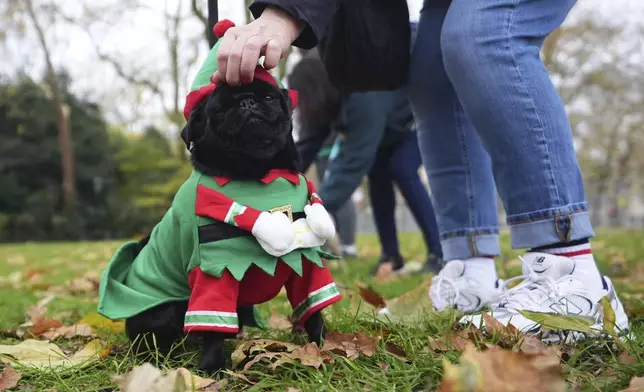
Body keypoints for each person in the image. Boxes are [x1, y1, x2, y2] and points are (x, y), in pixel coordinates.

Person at [212, 1, 630, 334]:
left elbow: (356, 156)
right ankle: (471, 270)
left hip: (399, 137)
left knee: (482, 34)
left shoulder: (360, 109)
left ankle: (571, 276)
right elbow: (309, 145)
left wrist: (307, 211)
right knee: (431, 72)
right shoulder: (331, 110)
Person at [289, 46, 444, 275]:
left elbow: (352, 162)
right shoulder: (330, 100)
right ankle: (391, 256)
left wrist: (314, 210)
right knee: (378, 176)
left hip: (416, 118)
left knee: (402, 168)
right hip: (386, 129)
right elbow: (307, 146)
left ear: (316, 90)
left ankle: (439, 253)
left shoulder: (363, 96)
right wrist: (278, 179)